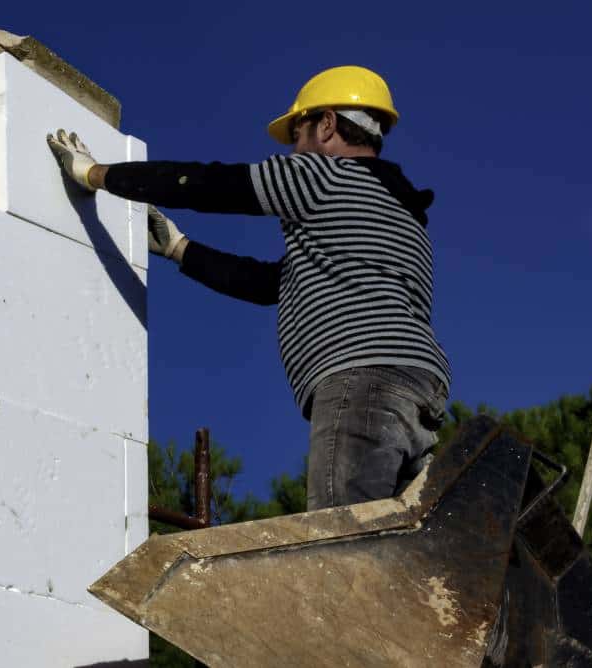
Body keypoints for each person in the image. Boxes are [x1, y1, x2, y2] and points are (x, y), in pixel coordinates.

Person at [48, 65, 451, 511]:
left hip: (360, 381)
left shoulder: (323, 177)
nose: (295, 151)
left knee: (342, 543)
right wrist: (180, 248)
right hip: (417, 393)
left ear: (327, 125)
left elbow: (212, 185)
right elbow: (272, 283)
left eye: (298, 136)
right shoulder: (402, 215)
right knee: (397, 552)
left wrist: (96, 174)